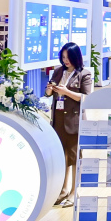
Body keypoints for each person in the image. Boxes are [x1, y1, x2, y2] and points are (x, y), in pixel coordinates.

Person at [45, 41, 93, 207]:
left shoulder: (84, 74)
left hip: (74, 121)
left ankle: (74, 192)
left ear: (76, 57)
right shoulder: (58, 71)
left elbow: (86, 98)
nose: (65, 61)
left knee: (74, 157)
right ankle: (63, 190)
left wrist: (66, 92)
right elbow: (48, 93)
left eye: (68, 57)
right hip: (58, 119)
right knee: (62, 156)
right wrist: (49, 90)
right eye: (63, 57)